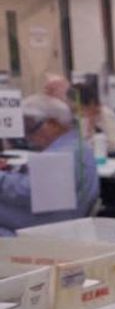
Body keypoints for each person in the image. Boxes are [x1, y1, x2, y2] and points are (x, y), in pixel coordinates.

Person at [0, 94, 99, 235]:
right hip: (60, 221)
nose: (28, 137)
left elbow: (27, 192)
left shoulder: (63, 154)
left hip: (44, 229)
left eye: (31, 128)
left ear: (53, 123)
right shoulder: (76, 146)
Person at [76, 82, 115, 155]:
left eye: (80, 108)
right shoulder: (84, 117)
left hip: (111, 158)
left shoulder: (107, 115)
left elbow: (114, 146)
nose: (78, 113)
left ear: (91, 103)